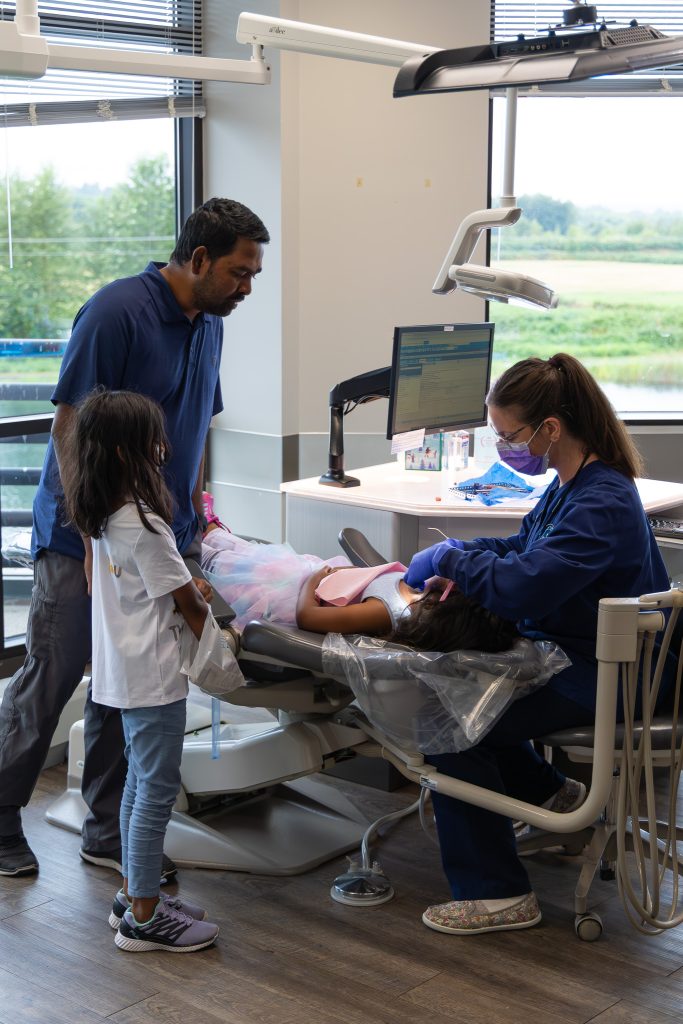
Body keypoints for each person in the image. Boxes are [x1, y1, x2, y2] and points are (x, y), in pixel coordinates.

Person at [0, 197, 270, 878]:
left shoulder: (209, 324)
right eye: (239, 272)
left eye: (253, 275)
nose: (247, 287)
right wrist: (92, 536)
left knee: (129, 685)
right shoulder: (116, 312)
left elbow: (195, 427)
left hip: (161, 534)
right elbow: (69, 426)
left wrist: (196, 519)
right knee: (54, 674)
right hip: (83, 537)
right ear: (200, 258)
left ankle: (107, 831)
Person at [403, 352, 671, 937]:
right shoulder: (570, 485)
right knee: (462, 701)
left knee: (450, 719)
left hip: (615, 675)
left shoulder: (602, 499)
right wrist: (461, 551)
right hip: (583, 657)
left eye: (509, 436)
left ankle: (497, 893)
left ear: (550, 428)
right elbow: (524, 549)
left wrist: (450, 560)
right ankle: (557, 799)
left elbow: (525, 585)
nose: (504, 448)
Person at [62, 389, 220, 953]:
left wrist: (187, 587)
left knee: (137, 783)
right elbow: (188, 604)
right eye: (153, 439)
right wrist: (224, 653)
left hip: (122, 674)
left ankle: (133, 894)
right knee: (156, 792)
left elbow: (147, 589)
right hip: (153, 678)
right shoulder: (146, 525)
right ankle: (146, 918)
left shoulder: (105, 517)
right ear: (126, 452)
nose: (163, 447)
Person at [200, 523, 520, 652]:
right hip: (301, 574)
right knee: (232, 546)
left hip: (288, 594)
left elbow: (307, 617)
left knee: (214, 563)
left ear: (450, 597)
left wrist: (313, 579)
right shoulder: (417, 587)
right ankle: (201, 530)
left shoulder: (385, 611)